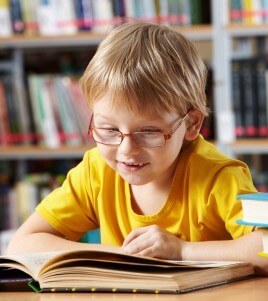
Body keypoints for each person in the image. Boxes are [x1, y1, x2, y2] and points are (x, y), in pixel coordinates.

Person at [7, 21, 268, 275]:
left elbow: (265, 249)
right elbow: (23, 245)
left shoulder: (218, 177)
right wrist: (119, 257)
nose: (126, 150)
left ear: (191, 123)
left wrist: (182, 251)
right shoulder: (95, 172)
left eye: (149, 132)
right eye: (109, 130)